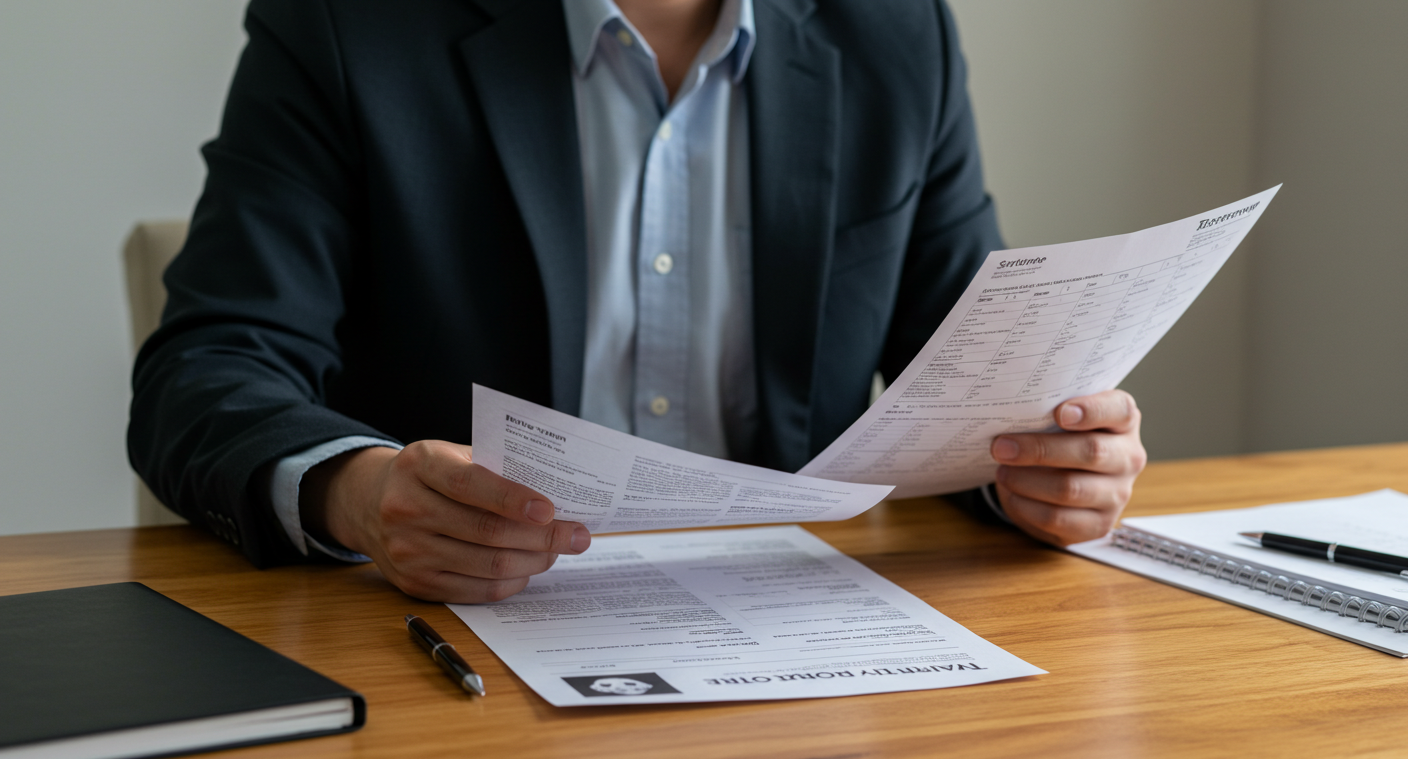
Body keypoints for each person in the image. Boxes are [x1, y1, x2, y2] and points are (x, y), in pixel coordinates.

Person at [129, 0, 1146, 603]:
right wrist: (358, 492)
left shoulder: (890, 30)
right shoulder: (351, 25)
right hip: (453, 642)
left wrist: (1045, 463)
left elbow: (973, 373)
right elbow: (206, 368)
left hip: (803, 636)